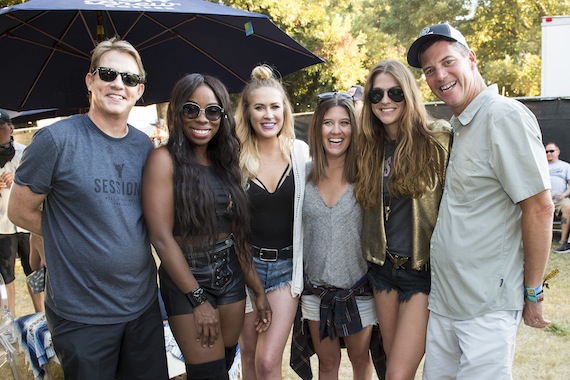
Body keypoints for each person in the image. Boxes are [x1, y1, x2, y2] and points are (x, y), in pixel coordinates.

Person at [8, 37, 169, 379]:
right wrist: (69, 235)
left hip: (141, 308)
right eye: (108, 73)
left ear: (139, 90)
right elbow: (19, 211)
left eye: (129, 79)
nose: (118, 84)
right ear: (90, 80)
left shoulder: (144, 146)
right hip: (81, 316)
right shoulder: (56, 140)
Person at [407, 23, 553, 379]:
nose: (440, 76)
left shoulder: (503, 116)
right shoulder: (459, 125)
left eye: (448, 62)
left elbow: (539, 207)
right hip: (446, 303)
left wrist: (532, 293)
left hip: (485, 307)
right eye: (429, 70)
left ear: (471, 59)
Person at [143, 72, 271, 380]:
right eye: (191, 109)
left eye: (212, 110)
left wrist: (257, 289)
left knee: (223, 366)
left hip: (231, 277)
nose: (203, 118)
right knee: (208, 374)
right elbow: (161, 238)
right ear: (177, 112)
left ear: (222, 115)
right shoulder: (163, 160)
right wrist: (198, 299)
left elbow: (236, 233)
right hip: (187, 278)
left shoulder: (226, 161)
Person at [354, 59, 452, 379]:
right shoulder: (370, 147)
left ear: (408, 94)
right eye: (376, 95)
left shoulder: (437, 138)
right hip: (382, 272)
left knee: (398, 373)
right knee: (390, 370)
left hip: (420, 274)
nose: (385, 101)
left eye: (395, 92)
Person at [235, 64, 310, 379]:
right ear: (248, 112)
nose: (268, 115)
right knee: (249, 358)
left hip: (285, 271)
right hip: (244, 269)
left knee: (268, 362)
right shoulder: (235, 157)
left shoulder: (301, 154)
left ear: (285, 111)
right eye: (259, 107)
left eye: (275, 107)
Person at [301, 92, 375, 379]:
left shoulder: (366, 176)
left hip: (358, 292)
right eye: (328, 123)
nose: (336, 131)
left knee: (360, 360)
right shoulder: (302, 176)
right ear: (317, 127)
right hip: (317, 294)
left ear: (353, 129)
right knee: (327, 364)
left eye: (344, 123)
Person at [0, 109, 44, 314]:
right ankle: (11, 318)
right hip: (2, 224)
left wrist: (16, 179)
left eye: (2, 128)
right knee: (7, 274)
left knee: (33, 270)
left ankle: (40, 314)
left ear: (11, 128)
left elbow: (37, 184)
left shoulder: (25, 151)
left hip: (26, 221)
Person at [545, 142, 570, 253]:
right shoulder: (541, 165)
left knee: (568, 207)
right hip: (543, 199)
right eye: (546, 152)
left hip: (560, 199)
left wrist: (564, 194)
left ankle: (563, 241)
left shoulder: (565, 166)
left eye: (551, 151)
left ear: (558, 151)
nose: (549, 153)